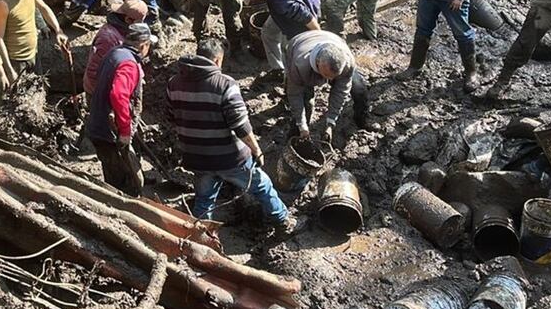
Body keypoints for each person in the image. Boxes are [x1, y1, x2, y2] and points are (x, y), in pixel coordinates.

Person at [166, 38, 296, 232]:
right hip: (229, 158)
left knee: (204, 198)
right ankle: (283, 221)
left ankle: (201, 235)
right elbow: (240, 126)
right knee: (262, 185)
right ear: (218, 60)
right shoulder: (225, 84)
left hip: (196, 156)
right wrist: (256, 149)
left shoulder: (173, 83)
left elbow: (170, 116)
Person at [86, 22, 155, 196]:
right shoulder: (129, 64)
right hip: (110, 132)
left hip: (98, 124)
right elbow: (118, 95)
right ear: (143, 45)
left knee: (113, 173)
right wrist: (124, 130)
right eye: (149, 45)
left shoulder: (113, 53)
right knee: (123, 186)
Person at [285, 30, 369, 146]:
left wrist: (331, 122)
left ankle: (361, 119)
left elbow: (340, 92)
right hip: (298, 43)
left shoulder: (348, 63)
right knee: (306, 103)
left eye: (333, 77)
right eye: (326, 76)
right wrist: (302, 125)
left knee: (359, 88)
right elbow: (295, 94)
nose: (328, 80)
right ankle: (295, 135)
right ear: (318, 63)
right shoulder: (299, 65)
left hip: (333, 41)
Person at [0, 0, 68, 83]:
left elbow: (44, 8)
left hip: (33, 54)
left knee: (36, 90)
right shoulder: (3, 3)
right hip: (16, 60)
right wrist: (9, 69)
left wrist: (58, 30)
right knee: (13, 97)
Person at [83, 0, 148, 95]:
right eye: (139, 22)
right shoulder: (108, 39)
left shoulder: (123, 33)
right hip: (103, 93)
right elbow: (94, 71)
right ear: (128, 20)